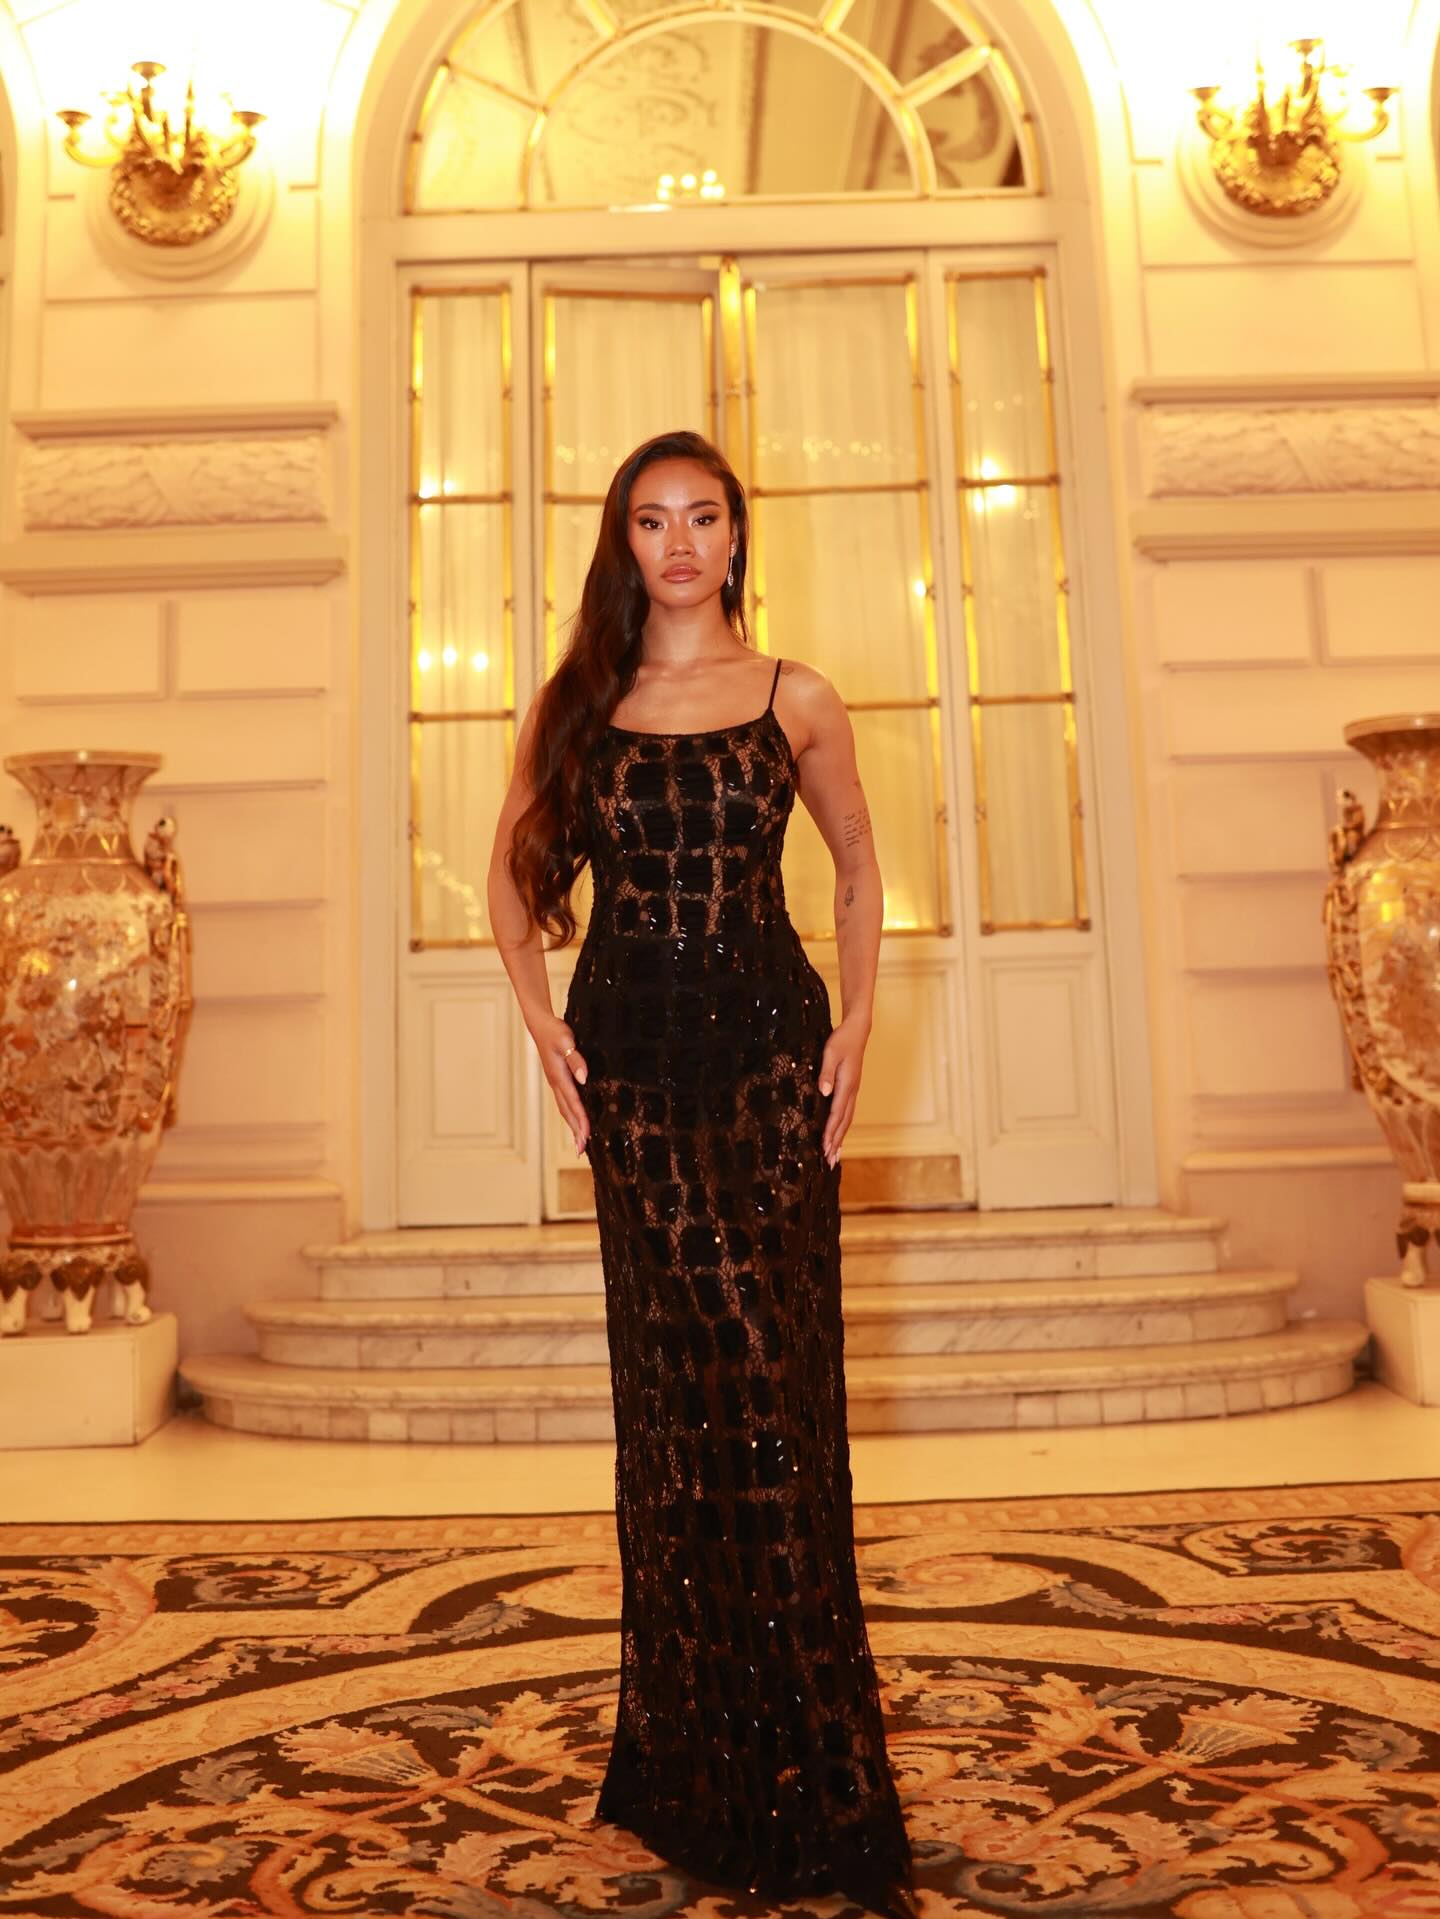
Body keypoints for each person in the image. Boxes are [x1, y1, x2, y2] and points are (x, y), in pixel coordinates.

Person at [487, 428, 917, 1919]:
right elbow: (509, 878)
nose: (679, 543)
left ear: (738, 537)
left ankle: (817, 1771)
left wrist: (859, 1020)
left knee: (773, 1390)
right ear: (626, 543)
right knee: (682, 1403)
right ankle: (697, 1764)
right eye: (651, 520)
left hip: (768, 1066)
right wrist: (540, 1020)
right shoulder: (579, 706)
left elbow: (856, 865)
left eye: (704, 518)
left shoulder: (798, 697)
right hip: (638, 1080)